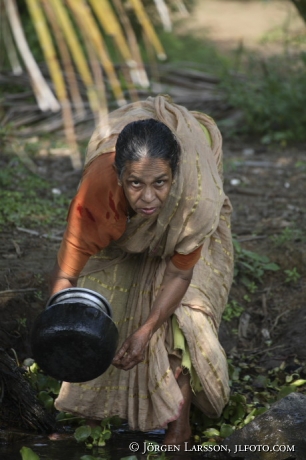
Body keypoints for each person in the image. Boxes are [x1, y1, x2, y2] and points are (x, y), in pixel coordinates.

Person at [49, 95, 233, 445]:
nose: (148, 198)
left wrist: (147, 330)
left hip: (186, 231)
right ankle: (88, 414)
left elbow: (179, 274)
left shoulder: (196, 202)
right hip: (114, 214)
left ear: (175, 177)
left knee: (186, 317)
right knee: (98, 306)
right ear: (119, 176)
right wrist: (63, 331)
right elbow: (67, 275)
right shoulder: (97, 196)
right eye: (136, 184)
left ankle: (179, 424)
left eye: (159, 183)